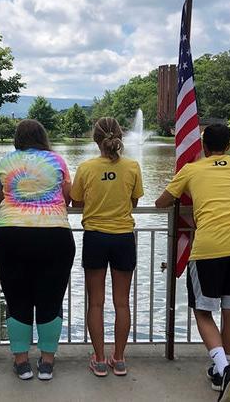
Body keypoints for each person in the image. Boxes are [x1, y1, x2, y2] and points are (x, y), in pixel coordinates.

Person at [155, 124, 230, 402]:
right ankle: (222, 370)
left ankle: (224, 368)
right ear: (229, 145)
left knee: (202, 312)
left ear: (203, 146)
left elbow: (163, 202)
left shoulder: (191, 169)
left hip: (208, 249)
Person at [0, 119, 75, 381]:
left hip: (11, 235)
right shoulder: (57, 161)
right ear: (43, 137)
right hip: (54, 235)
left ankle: (21, 362)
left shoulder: (6, 161)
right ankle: (47, 363)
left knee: (16, 299)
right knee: (51, 299)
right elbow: (69, 195)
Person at [70, 117, 143, 377]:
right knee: (122, 303)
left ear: (95, 139)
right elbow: (134, 201)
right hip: (123, 237)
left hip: (95, 237)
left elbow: (76, 202)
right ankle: (119, 359)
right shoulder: (133, 166)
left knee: (96, 303)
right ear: (120, 137)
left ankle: (100, 359)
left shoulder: (86, 168)